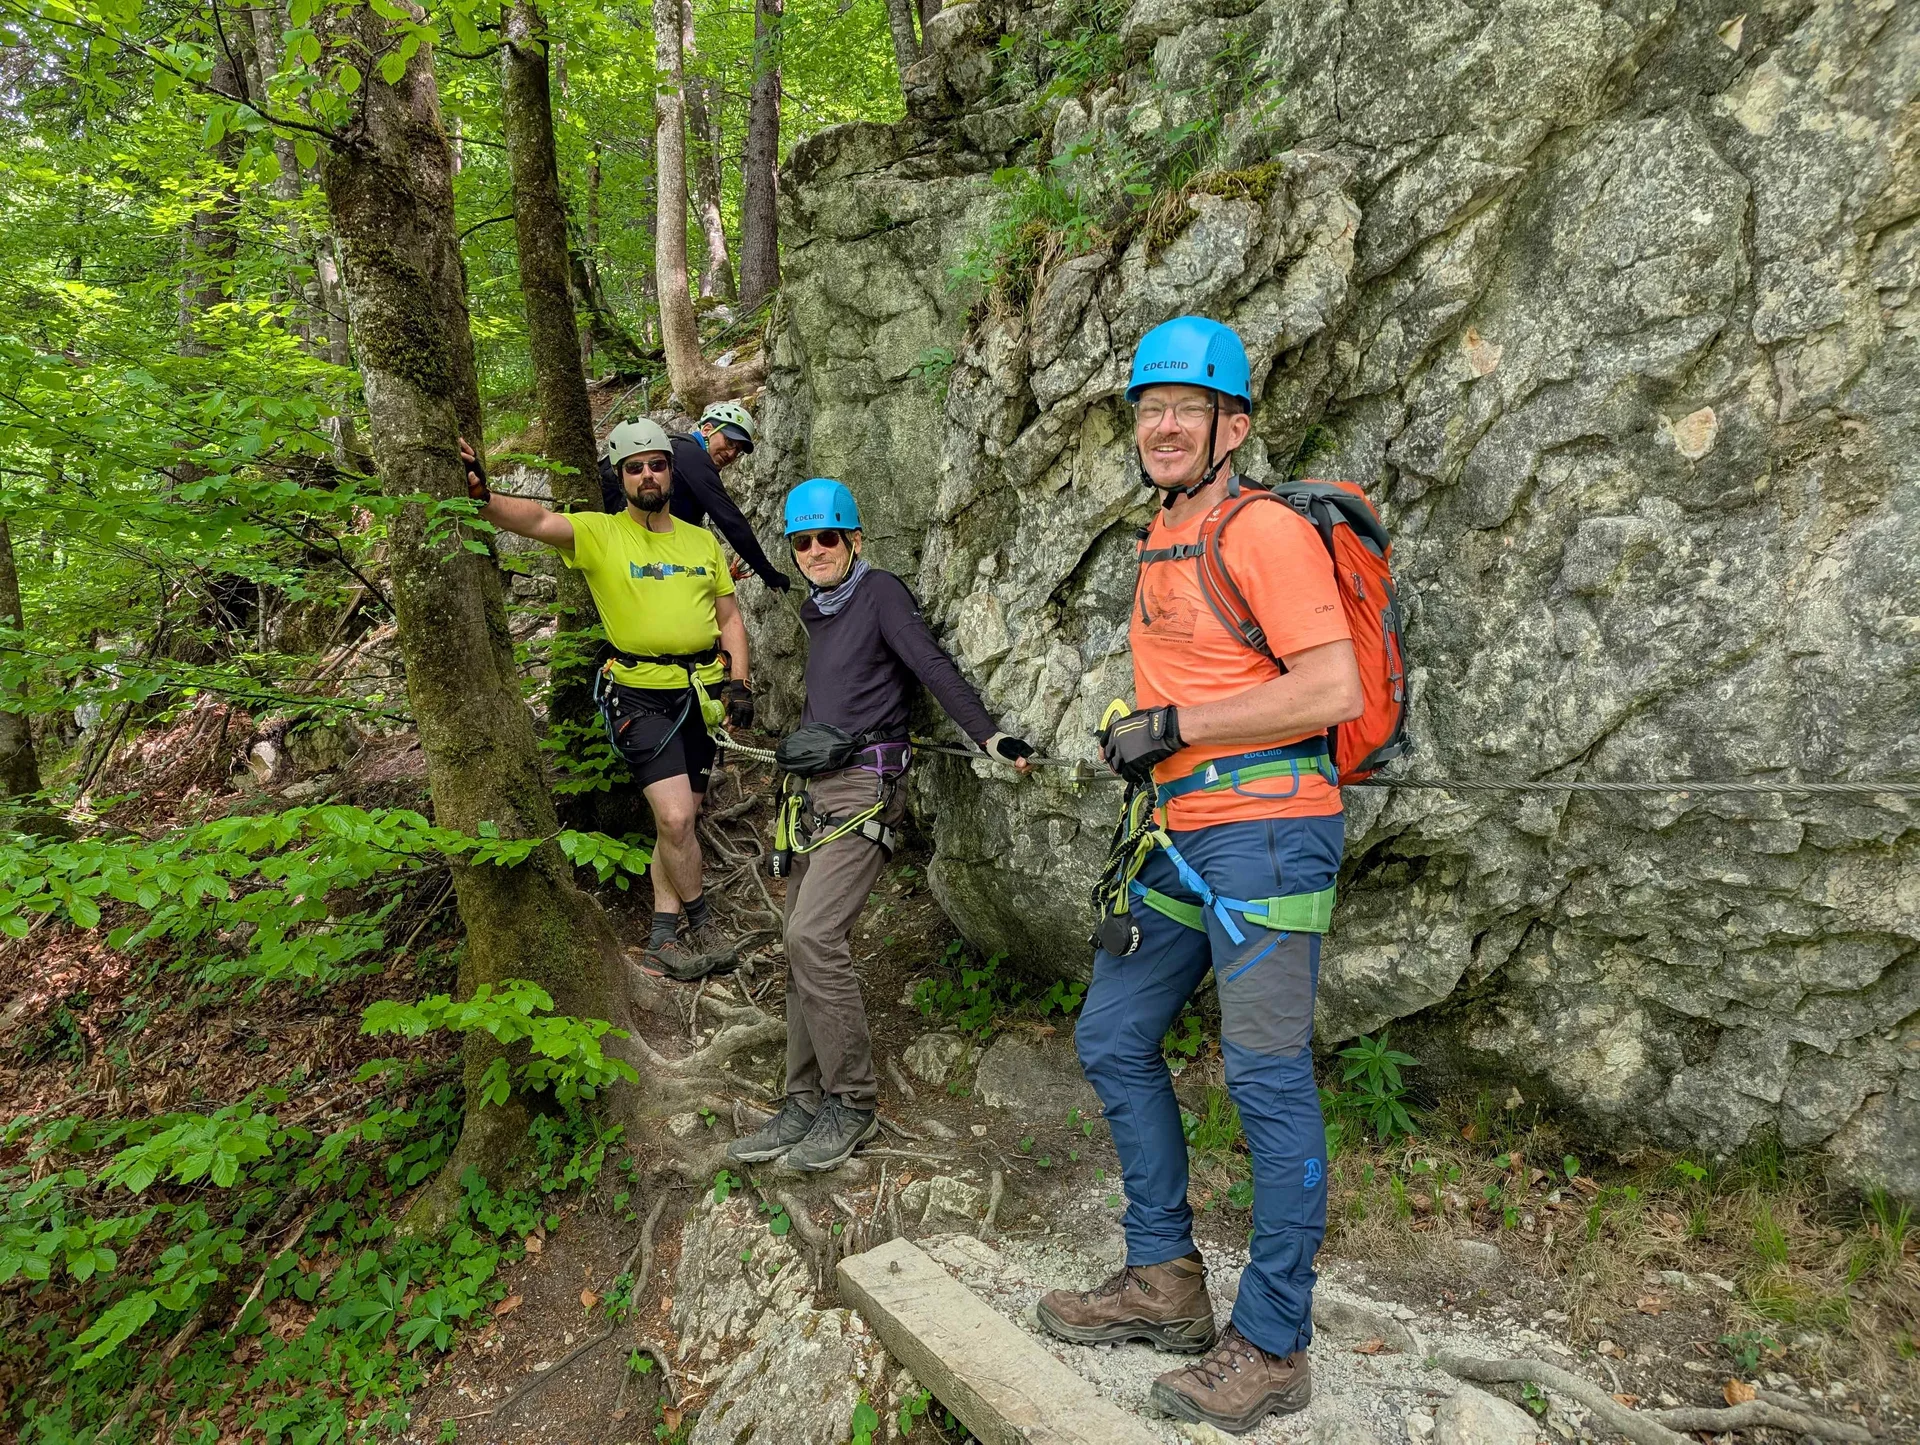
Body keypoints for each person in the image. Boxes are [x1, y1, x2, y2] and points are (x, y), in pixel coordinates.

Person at [1034, 318, 1364, 1435]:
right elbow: (1202, 681)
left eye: (1187, 406)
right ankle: (1165, 1280)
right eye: (1147, 406)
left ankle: (1274, 1341)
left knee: (1266, 1076)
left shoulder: (1261, 528)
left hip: (1268, 833)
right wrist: (1145, 733)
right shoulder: (1161, 531)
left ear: (1234, 424)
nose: (1163, 424)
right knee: (1113, 1035)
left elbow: (1332, 689)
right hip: (1175, 831)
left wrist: (1180, 720)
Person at [727, 479, 1034, 1173]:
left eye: (827, 537)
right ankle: (803, 1099)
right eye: (802, 542)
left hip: (867, 788)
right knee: (795, 938)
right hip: (815, 791)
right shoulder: (821, 610)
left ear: (854, 539)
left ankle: (853, 1100)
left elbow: (928, 664)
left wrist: (990, 736)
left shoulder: (879, 593)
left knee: (814, 933)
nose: (814, 551)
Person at [464, 420, 754, 982]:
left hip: (699, 695)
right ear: (621, 477)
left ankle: (661, 936)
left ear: (672, 470)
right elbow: (540, 520)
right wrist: (483, 494)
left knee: (685, 820)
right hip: (638, 696)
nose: (648, 474)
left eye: (657, 464)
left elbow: (729, 616)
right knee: (673, 817)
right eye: (635, 466)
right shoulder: (601, 533)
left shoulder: (700, 541)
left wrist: (739, 681)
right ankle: (703, 921)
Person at [597, 400, 791, 592]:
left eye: (738, 450)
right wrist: (769, 573)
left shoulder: (678, 450)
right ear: (707, 429)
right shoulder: (693, 455)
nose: (731, 453)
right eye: (729, 442)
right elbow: (730, 519)